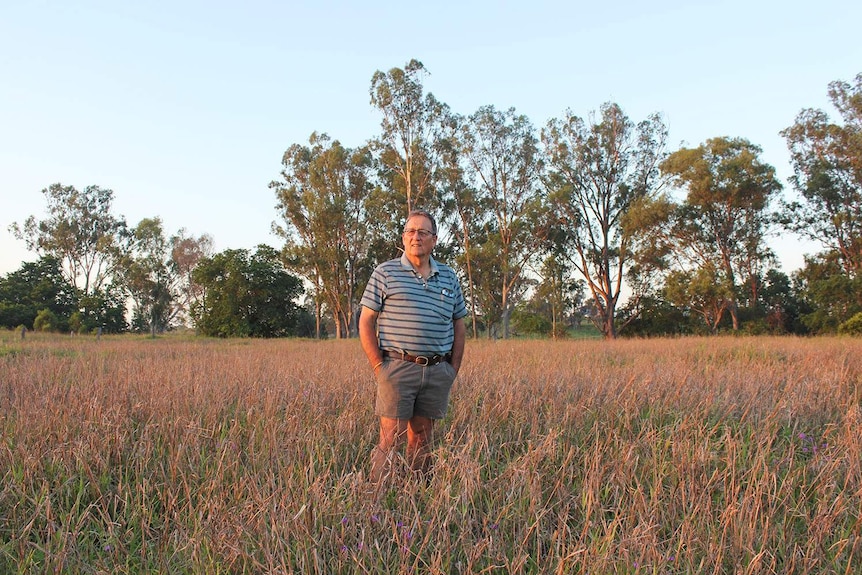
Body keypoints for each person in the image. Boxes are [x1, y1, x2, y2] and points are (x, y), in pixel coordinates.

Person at [359, 209, 467, 484]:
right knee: (390, 437)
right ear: (403, 238)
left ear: (434, 239)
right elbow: (366, 322)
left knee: (422, 437)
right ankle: (376, 499)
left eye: (422, 232)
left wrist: (452, 369)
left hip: (436, 370)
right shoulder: (385, 273)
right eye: (410, 231)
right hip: (397, 367)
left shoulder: (449, 277)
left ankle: (416, 496)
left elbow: (459, 323)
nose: (415, 236)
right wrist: (379, 367)